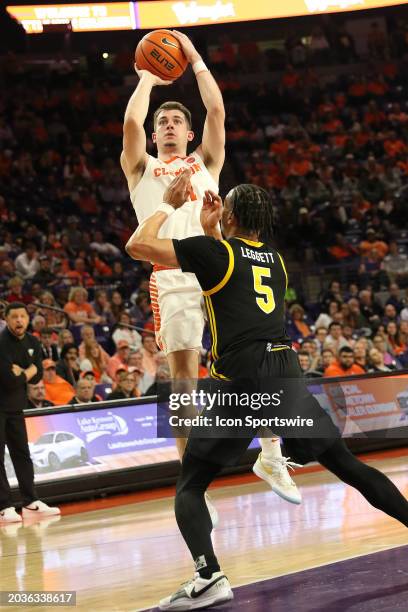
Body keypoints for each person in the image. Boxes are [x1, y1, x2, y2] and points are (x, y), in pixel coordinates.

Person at [126, 173, 408, 610]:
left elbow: (139, 246)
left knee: (191, 484)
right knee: (345, 463)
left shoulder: (214, 252)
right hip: (284, 369)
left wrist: (166, 204)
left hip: (243, 378)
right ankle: (273, 459)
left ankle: (208, 576)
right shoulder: (274, 261)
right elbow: (230, 273)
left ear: (232, 215)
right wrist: (211, 227)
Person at [121, 34, 296, 502]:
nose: (170, 124)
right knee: (183, 383)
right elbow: (131, 122)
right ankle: (190, 485)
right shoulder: (141, 168)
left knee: (257, 360)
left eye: (178, 119)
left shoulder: (204, 162)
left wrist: (195, 59)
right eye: (164, 121)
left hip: (219, 269)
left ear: (190, 133)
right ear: (156, 136)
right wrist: (146, 78)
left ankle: (272, 452)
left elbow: (217, 112)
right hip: (173, 277)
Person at [0, 303, 60, 523]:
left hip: (16, 406)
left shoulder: (33, 342)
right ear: (6, 319)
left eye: (23, 316)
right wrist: (28, 370)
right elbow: (9, 379)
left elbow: (36, 377)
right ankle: (4, 506)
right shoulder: (1, 343)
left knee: (22, 454)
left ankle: (30, 502)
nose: (19, 320)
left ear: (28, 318)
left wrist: (23, 371)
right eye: (14, 316)